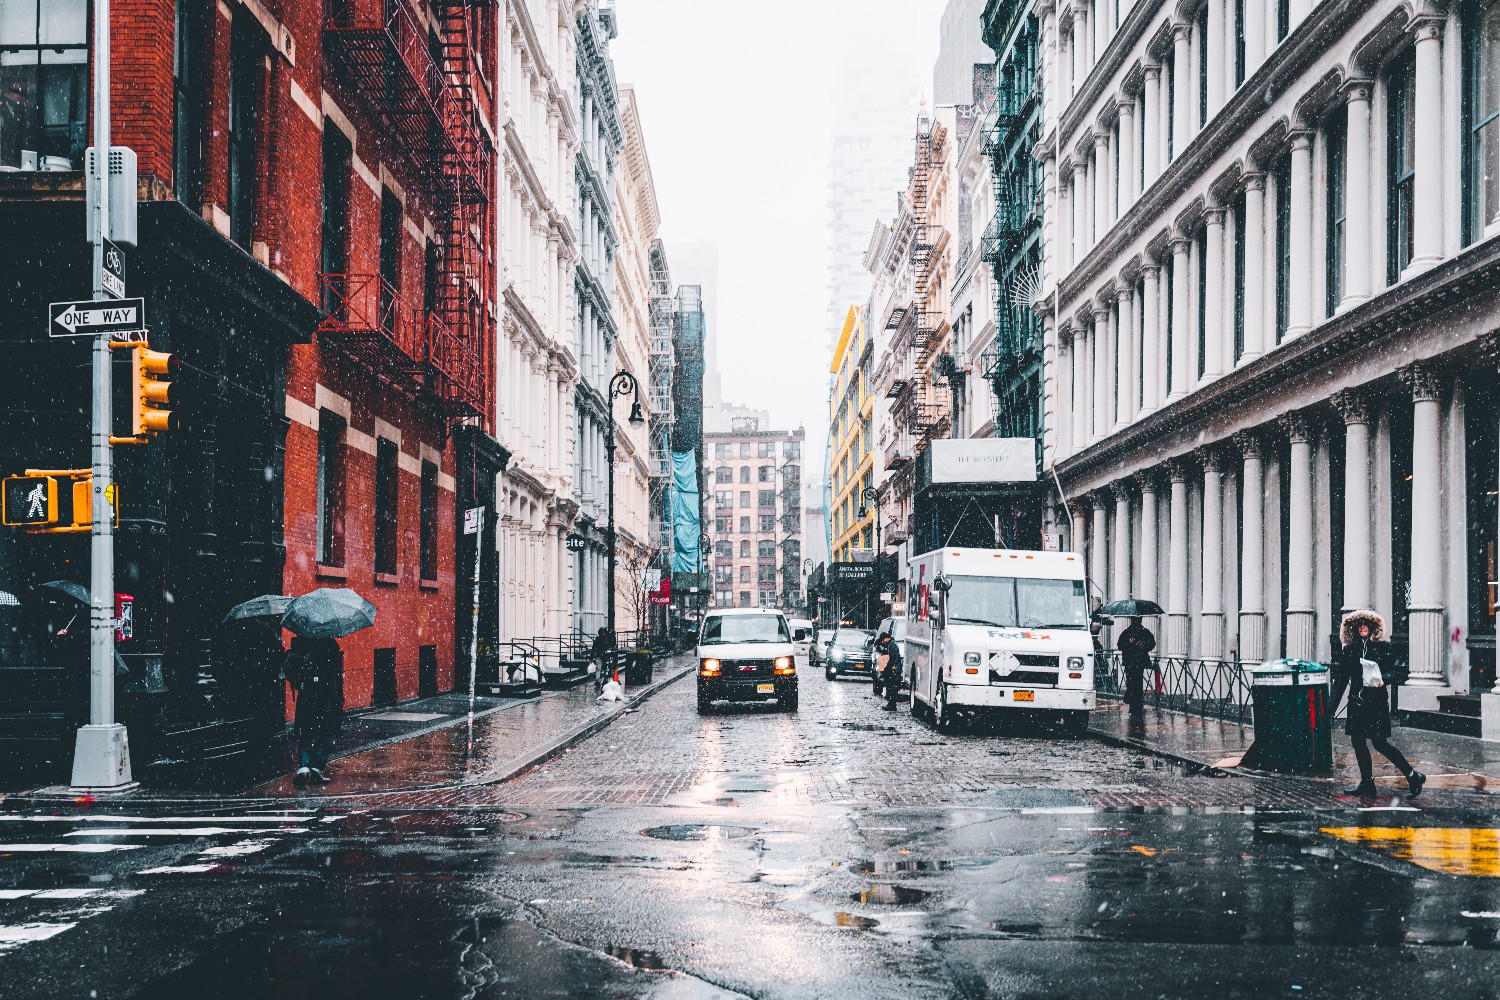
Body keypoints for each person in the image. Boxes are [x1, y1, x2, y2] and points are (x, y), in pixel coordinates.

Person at [1339, 610, 1424, 799]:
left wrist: (1383, 679)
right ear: (1353, 628)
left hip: (1376, 704)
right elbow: (1341, 680)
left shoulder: (1383, 647)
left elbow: (1395, 672)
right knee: (1358, 742)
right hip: (1357, 704)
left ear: (1371, 627)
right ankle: (1367, 783)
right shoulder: (1349, 650)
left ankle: (1413, 776)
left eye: (1365, 624)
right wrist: (1329, 708)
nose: (1362, 627)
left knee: (1379, 743)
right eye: (1358, 624)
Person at [285, 634, 344, 785]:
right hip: (325, 696)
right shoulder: (330, 646)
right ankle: (317, 768)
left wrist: (300, 682)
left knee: (305, 733)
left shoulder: (299, 644)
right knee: (323, 733)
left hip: (306, 696)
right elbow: (335, 675)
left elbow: (288, 665)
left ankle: (304, 767)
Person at [1116, 616, 1156, 710]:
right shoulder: (1127, 632)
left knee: (1137, 682)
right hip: (1130, 661)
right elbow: (1120, 645)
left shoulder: (1144, 632)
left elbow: (1151, 644)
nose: (1137, 621)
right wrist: (1128, 642)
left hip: (1139, 661)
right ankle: (1132, 700)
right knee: (1130, 682)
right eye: (1135, 620)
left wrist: (1142, 644)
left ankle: (1137, 702)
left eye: (1138, 619)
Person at [874, 632, 903, 711]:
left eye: (883, 640)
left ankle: (892, 704)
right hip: (893, 669)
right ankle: (891, 704)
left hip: (893, 670)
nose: (883, 642)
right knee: (891, 687)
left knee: (891, 687)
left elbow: (892, 658)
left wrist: (887, 668)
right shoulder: (891, 644)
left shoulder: (892, 645)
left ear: (887, 638)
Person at [590, 626, 615, 692]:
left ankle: (604, 680)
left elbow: (611, 646)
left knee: (604, 668)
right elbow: (593, 649)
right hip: (600, 656)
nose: (603, 634)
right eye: (602, 632)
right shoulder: (599, 639)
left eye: (603, 632)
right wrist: (591, 657)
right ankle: (598, 681)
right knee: (599, 668)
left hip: (605, 656)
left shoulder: (607, 639)